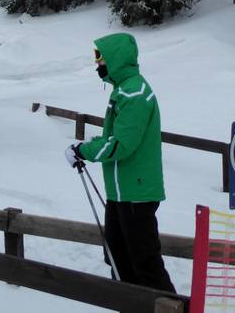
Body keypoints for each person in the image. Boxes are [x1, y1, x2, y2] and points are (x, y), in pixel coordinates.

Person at [65, 33, 175, 292]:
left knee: (144, 263)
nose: (97, 63)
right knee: (117, 257)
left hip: (136, 193)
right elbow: (115, 138)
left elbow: (121, 144)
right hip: (121, 191)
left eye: (100, 57)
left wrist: (84, 151)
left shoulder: (134, 93)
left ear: (116, 58)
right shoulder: (123, 90)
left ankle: (169, 307)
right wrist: (88, 147)